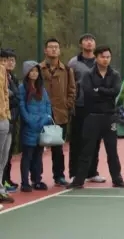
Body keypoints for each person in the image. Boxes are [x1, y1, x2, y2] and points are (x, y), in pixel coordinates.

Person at [68, 45, 124, 189]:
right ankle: (79, 180)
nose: (105, 59)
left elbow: (115, 91)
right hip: (92, 117)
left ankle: (117, 179)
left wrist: (99, 90)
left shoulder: (115, 75)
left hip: (109, 117)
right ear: (96, 57)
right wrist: (105, 92)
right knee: (86, 150)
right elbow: (89, 93)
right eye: (102, 57)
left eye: (108, 57)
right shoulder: (88, 75)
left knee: (112, 150)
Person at [68, 33, 104, 184]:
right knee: (77, 140)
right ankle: (74, 173)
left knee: (94, 141)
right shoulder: (73, 63)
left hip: (96, 107)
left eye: (91, 40)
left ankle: (92, 172)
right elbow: (69, 84)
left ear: (95, 44)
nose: (89, 42)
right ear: (81, 44)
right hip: (79, 106)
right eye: (86, 40)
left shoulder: (101, 61)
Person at [40, 38, 76, 187]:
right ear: (45, 50)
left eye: (56, 47)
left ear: (60, 50)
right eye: (50, 47)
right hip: (41, 114)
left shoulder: (67, 70)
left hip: (60, 114)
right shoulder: (38, 69)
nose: (53, 49)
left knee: (58, 148)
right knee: (37, 148)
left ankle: (59, 176)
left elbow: (72, 90)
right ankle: (36, 178)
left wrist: (67, 105)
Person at [17, 61, 52, 193]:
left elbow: (48, 104)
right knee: (27, 156)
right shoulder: (22, 88)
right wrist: (30, 120)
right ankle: (25, 182)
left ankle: (37, 180)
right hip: (29, 128)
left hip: (41, 127)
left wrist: (46, 118)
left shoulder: (41, 88)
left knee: (38, 155)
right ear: (26, 73)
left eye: (36, 71)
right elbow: (22, 106)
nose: (34, 73)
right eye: (31, 71)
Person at [1, 48, 20, 193]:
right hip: (3, 118)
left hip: (10, 119)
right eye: (6, 60)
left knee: (6, 155)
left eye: (12, 60)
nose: (10, 63)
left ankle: (4, 182)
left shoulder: (12, 77)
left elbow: (16, 97)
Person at [0, 60, 13, 205]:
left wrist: (6, 113)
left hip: (3, 119)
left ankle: (0, 190)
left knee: (3, 157)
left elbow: (5, 93)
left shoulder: (2, 69)